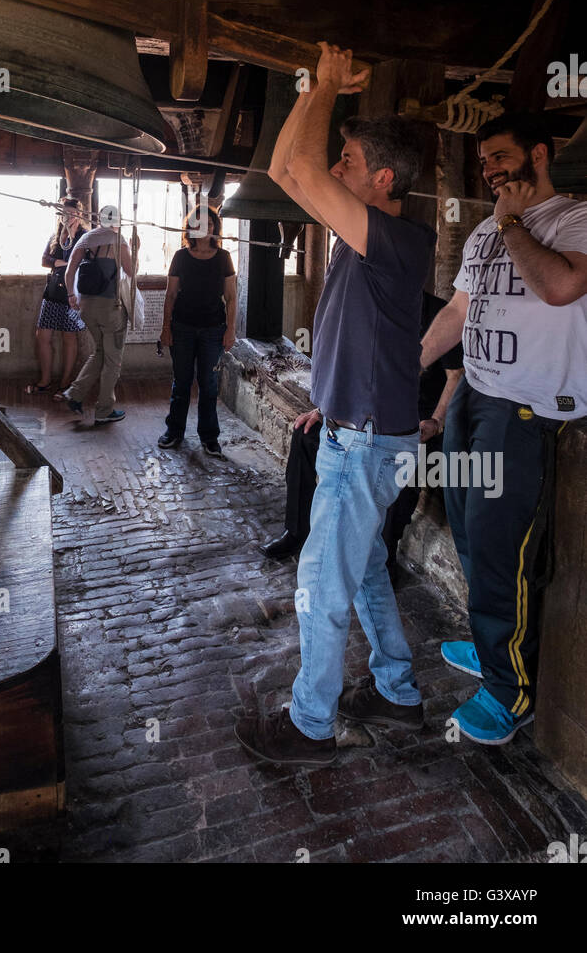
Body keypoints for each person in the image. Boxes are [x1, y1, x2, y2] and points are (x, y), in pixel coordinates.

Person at [235, 42, 434, 769]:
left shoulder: (399, 242)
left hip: (368, 443)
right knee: (370, 569)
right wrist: (310, 93)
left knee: (321, 586)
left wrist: (323, 86)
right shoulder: (359, 234)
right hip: (356, 430)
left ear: (381, 179)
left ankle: (310, 727)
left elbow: (305, 171)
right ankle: (399, 693)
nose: (335, 174)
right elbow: (285, 169)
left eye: (349, 164)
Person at [420, 111, 587, 745]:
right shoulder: (484, 232)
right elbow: (460, 311)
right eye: (483, 160)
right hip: (476, 396)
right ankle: (496, 647)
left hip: (527, 412)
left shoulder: (575, 219)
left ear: (538, 154)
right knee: (466, 527)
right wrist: (413, 361)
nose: (488, 169)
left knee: (501, 549)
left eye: (499, 157)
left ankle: (509, 692)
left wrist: (516, 223)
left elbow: (560, 286)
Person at [263, 290, 464, 584]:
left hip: (415, 421)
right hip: (363, 413)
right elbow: (349, 367)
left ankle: (384, 555)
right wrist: (323, 409)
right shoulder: (370, 307)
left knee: (405, 466)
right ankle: (297, 531)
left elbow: (455, 375)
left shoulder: (439, 313)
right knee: (305, 435)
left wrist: (436, 421)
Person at [158, 203, 237, 458]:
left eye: (211, 223)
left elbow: (231, 298)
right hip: (182, 327)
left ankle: (209, 437)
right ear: (191, 227)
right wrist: (165, 329)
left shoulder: (224, 258)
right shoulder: (181, 257)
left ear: (215, 228)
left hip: (213, 329)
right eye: (200, 223)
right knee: (181, 382)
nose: (207, 227)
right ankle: (175, 432)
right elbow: (170, 295)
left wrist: (231, 330)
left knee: (209, 384)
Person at [59, 205, 140, 425]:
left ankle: (74, 394)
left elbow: (69, 271)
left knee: (101, 352)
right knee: (113, 360)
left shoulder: (86, 240)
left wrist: (71, 296)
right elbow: (132, 272)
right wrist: (136, 250)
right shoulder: (118, 240)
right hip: (110, 307)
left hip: (85, 306)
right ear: (117, 219)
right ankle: (104, 409)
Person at [28, 198, 89, 395]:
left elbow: (83, 262)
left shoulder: (85, 237)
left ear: (79, 215)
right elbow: (44, 260)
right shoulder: (55, 236)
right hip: (53, 291)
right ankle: (45, 380)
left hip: (72, 294)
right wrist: (61, 264)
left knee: (68, 337)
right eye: (65, 213)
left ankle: (65, 382)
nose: (68, 217)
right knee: (42, 336)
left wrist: (71, 239)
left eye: (72, 213)